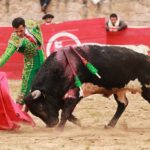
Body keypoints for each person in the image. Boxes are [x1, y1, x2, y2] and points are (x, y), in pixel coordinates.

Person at [0, 17, 45, 105]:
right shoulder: (14, 39)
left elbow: (38, 26)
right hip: (30, 64)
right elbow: (6, 55)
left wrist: (41, 45)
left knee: (47, 83)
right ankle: (18, 112)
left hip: (41, 57)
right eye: (16, 31)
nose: (19, 33)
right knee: (25, 90)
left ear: (24, 26)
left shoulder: (31, 24)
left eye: (21, 31)